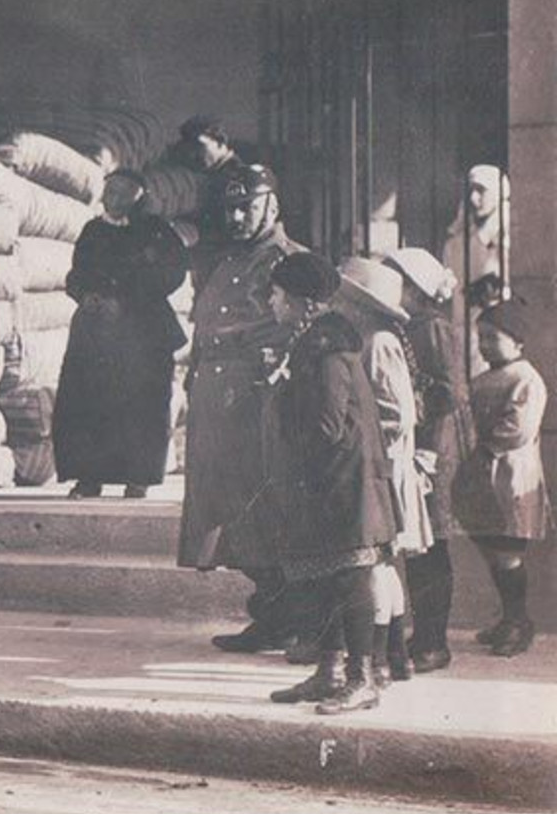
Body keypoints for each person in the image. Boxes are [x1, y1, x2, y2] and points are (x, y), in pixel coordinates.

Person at [175, 163, 309, 654]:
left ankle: (290, 614)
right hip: (216, 401)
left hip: (254, 404)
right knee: (225, 514)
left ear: (272, 205)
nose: (235, 216)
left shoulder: (285, 260)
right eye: (228, 206)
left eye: (245, 205)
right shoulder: (232, 258)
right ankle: (273, 611)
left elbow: (295, 329)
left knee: (260, 514)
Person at [262, 253, 397, 715]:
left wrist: (278, 403)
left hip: (344, 485)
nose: (271, 302)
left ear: (301, 301)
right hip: (332, 484)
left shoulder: (325, 351)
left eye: (276, 294)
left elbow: (326, 427)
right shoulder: (316, 342)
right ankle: (329, 672)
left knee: (350, 579)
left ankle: (361, 679)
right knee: (327, 580)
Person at [53, 169, 190, 499]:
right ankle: (88, 477)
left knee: (140, 406)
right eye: (107, 192)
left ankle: (137, 477)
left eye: (118, 193)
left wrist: (127, 300)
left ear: (137, 196)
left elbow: (172, 273)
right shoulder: (92, 230)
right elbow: (76, 273)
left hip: (143, 334)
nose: (108, 199)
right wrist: (86, 295)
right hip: (96, 331)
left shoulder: (158, 233)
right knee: (87, 402)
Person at [335, 257, 433, 685]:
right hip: (381, 466)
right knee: (383, 564)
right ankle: (394, 654)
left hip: (383, 469)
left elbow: (398, 414)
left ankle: (376, 657)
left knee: (372, 563)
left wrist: (362, 442)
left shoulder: (376, 343)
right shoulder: (370, 339)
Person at [384, 247, 474, 672]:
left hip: (434, 450)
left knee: (431, 546)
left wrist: (427, 453)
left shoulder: (433, 329)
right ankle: (423, 635)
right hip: (422, 447)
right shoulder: (409, 326)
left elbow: (450, 394)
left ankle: (433, 642)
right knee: (418, 546)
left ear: (415, 290)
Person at [453, 297, 550, 658]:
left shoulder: (526, 379)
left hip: (510, 477)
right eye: (481, 337)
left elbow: (518, 428)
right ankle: (508, 617)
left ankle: (518, 621)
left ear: (518, 341)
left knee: (508, 552)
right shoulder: (482, 379)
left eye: (494, 337)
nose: (485, 344)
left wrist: (484, 446)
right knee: (493, 549)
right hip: (482, 476)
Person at [166, 115, 252, 292]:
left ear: (220, 143)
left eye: (199, 146)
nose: (193, 154)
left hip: (225, 263)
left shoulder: (236, 177)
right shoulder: (207, 175)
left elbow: (231, 229)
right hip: (208, 263)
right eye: (189, 148)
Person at [441, 164, 512, 375]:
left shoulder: (510, 234)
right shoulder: (456, 240)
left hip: (496, 331)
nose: (474, 198)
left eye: (482, 190)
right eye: (471, 190)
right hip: (461, 330)